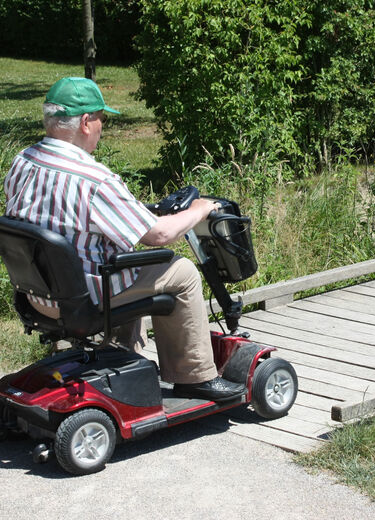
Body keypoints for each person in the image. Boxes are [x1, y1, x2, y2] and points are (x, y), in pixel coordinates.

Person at [3, 76, 244, 401]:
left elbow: (60, 219)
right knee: (181, 272)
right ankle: (196, 376)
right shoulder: (96, 179)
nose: (103, 127)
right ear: (86, 122)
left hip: (37, 296)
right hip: (82, 299)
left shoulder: (22, 162)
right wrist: (200, 209)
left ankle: (122, 356)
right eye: (102, 118)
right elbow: (160, 234)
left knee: (125, 265)